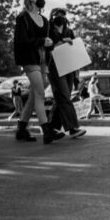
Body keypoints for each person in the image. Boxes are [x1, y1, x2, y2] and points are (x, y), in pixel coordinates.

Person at [14, 0, 62, 144]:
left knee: (34, 95)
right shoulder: (23, 18)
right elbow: (22, 41)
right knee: (40, 93)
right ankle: (47, 131)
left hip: (42, 60)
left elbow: (48, 40)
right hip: (29, 59)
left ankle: (21, 129)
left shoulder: (45, 20)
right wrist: (41, 41)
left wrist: (50, 43)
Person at [44, 8, 86, 139]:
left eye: (62, 15)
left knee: (62, 97)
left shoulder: (69, 31)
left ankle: (51, 129)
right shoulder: (48, 30)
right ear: (52, 16)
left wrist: (76, 76)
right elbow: (47, 48)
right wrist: (62, 42)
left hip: (69, 68)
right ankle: (73, 128)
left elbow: (74, 52)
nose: (60, 17)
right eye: (57, 15)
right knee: (63, 96)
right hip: (54, 67)